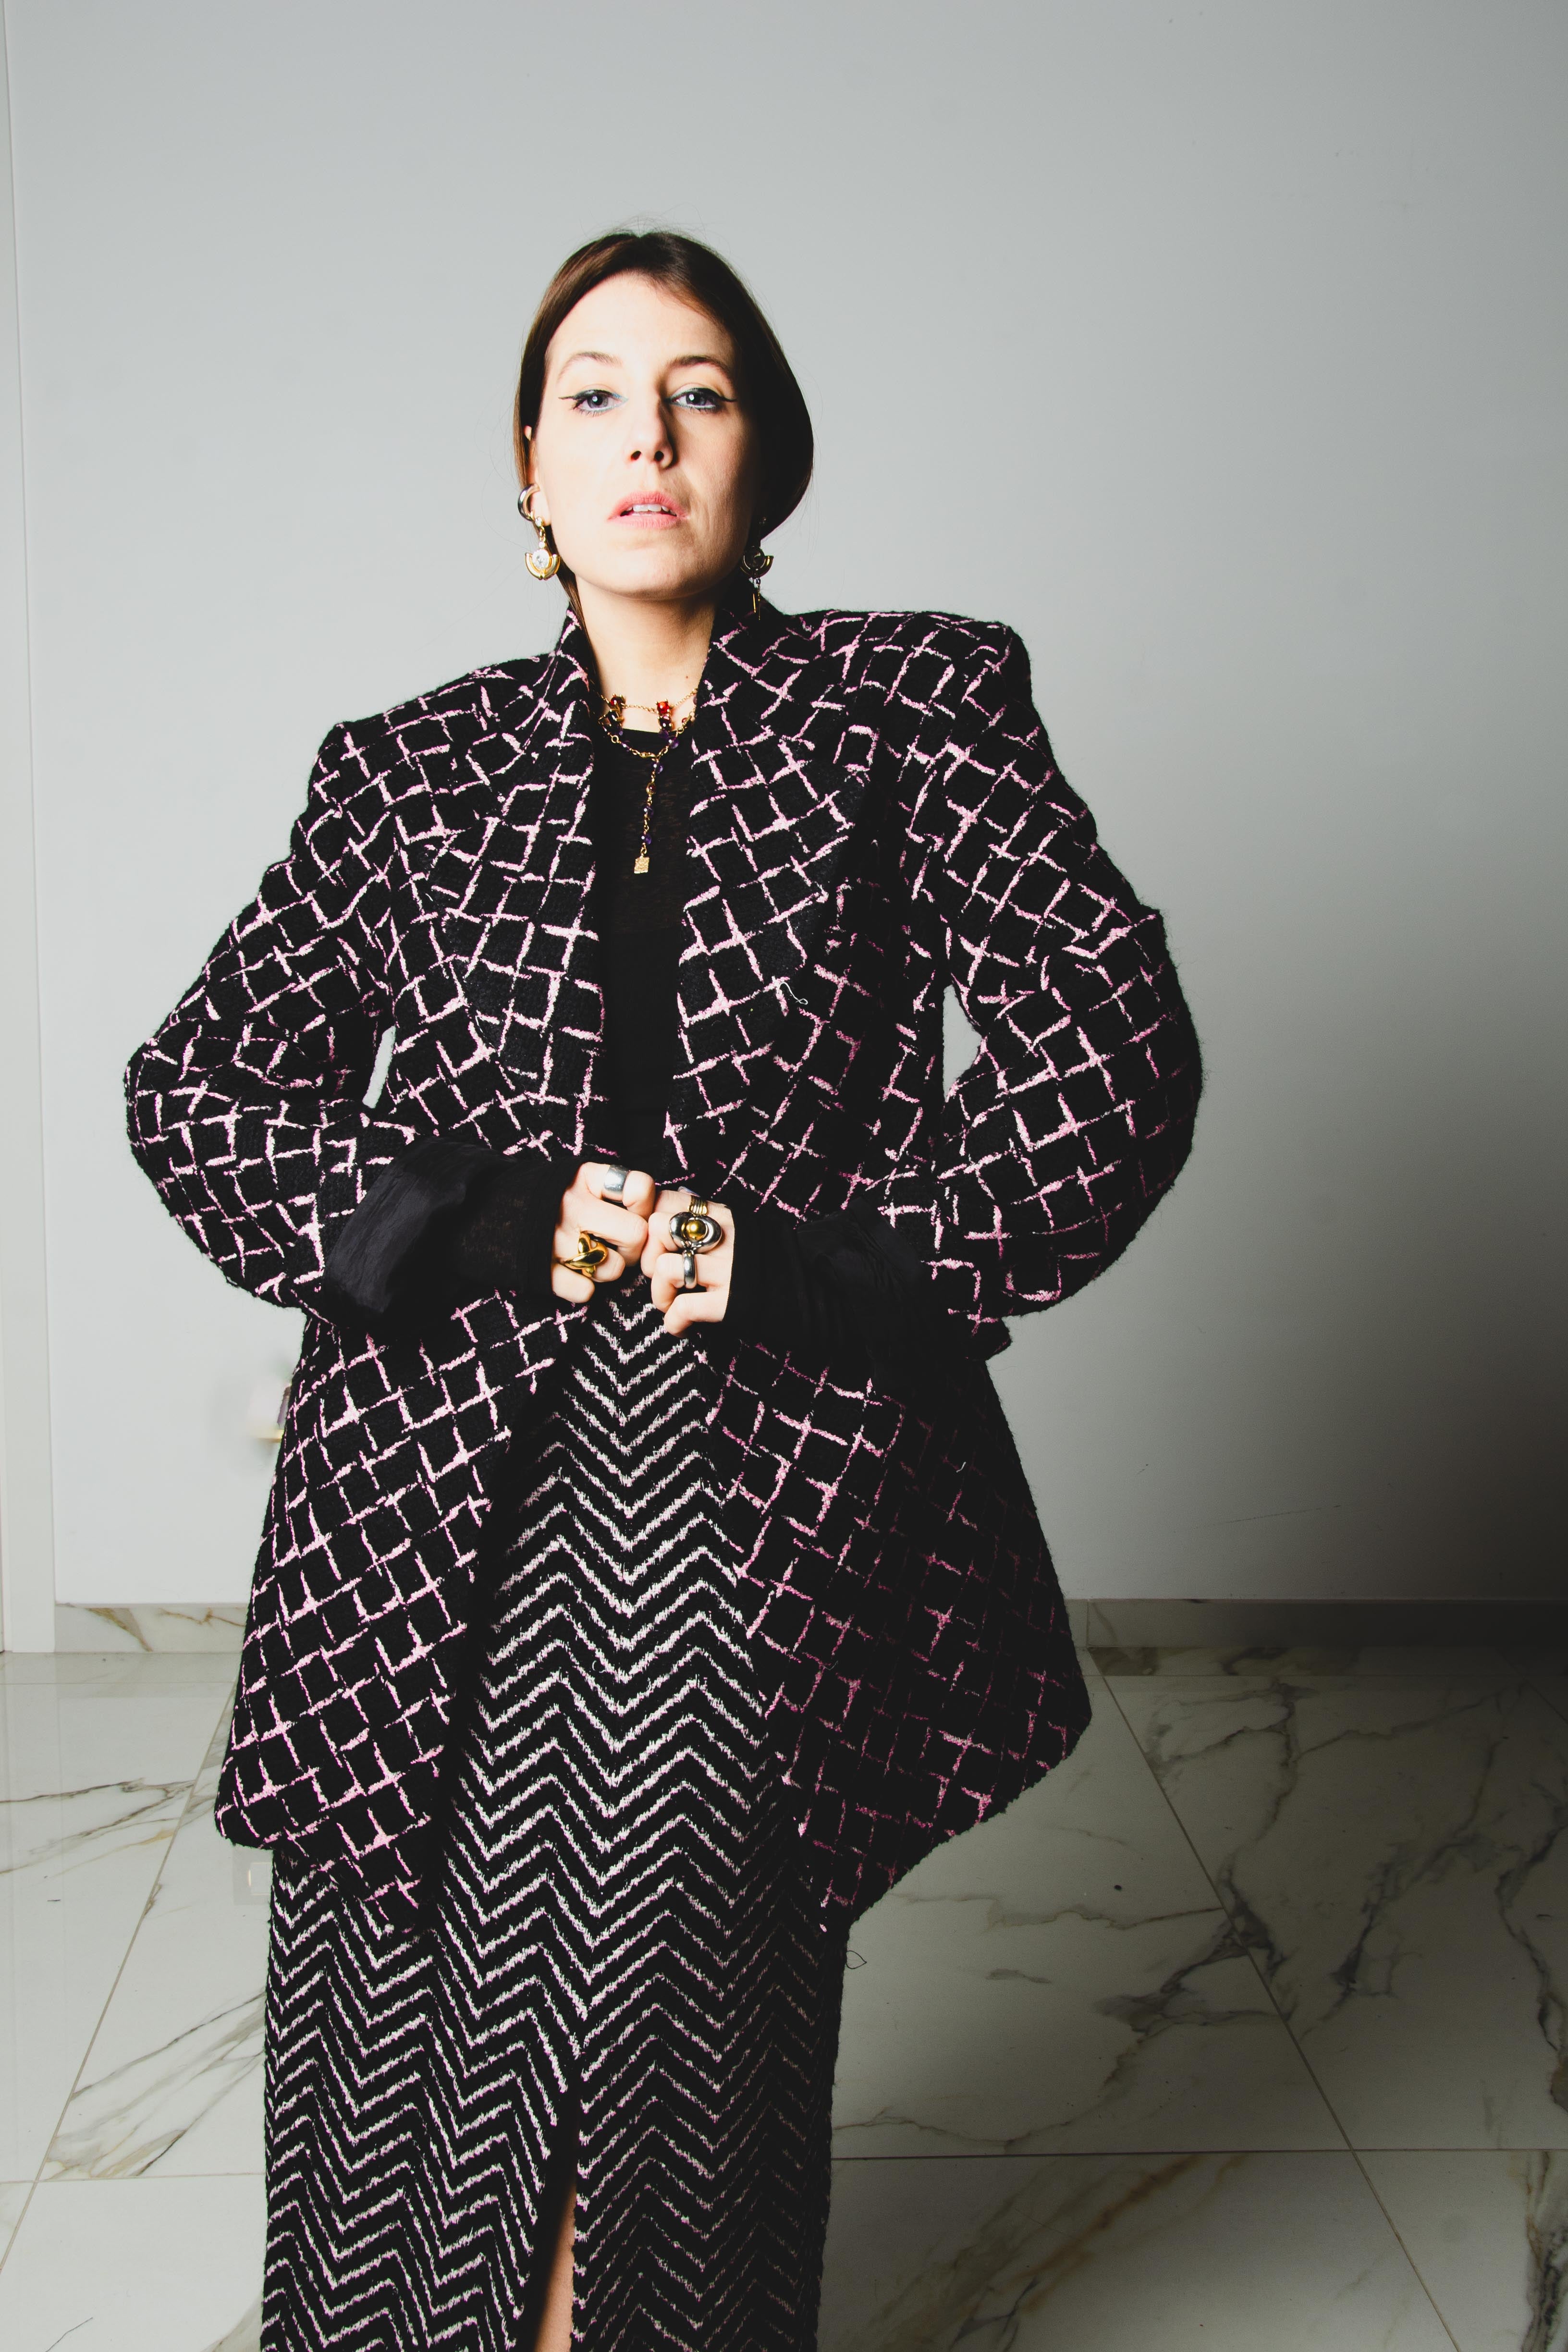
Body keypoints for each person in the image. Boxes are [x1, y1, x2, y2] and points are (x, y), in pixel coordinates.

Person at [126, 228, 1202, 2352]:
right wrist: (466, 1219)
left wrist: (821, 1266)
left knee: (669, 2005)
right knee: (399, 1992)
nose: (648, 437)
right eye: (597, 397)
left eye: (699, 392)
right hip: (426, 1480)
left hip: (758, 1470)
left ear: (765, 454)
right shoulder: (407, 770)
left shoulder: (912, 707)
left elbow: (1112, 1040)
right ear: (527, 469)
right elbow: (200, 1088)